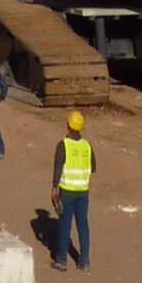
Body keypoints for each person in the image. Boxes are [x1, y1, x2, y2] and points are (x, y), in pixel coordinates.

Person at [51, 111, 94, 270]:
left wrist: (54, 187)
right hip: (83, 192)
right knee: (83, 225)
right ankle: (84, 262)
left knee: (65, 225)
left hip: (67, 191)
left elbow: (58, 167)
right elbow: (93, 166)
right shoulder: (87, 146)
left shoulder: (63, 145)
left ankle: (61, 260)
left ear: (68, 126)